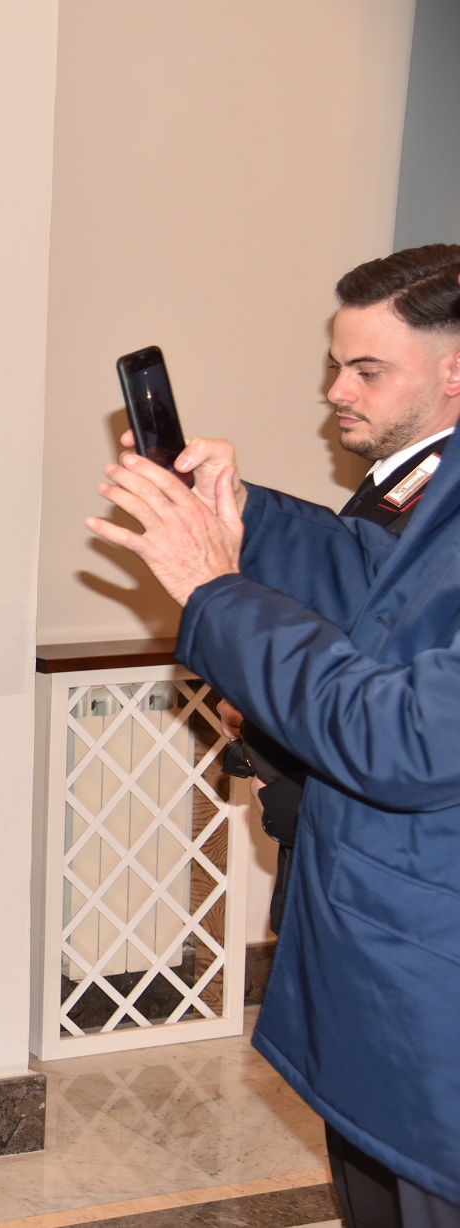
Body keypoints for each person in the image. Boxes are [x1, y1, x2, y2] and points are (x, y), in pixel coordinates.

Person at [86, 263, 460, 1228]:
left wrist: (216, 593)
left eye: (368, 371)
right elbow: (377, 579)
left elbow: (403, 737)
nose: (336, 391)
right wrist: (241, 517)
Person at [221, 244, 460, 934]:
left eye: (368, 372)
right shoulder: (400, 475)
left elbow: (396, 690)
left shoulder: (436, 498)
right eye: (337, 368)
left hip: (386, 863)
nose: (337, 392)